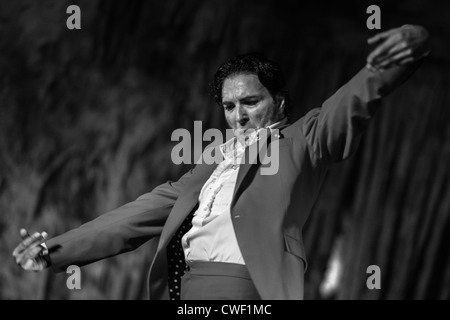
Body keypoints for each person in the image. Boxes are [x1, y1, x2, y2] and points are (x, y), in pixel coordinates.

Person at [12, 24, 430, 300]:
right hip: (186, 292)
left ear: (278, 102)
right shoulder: (209, 165)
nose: (238, 115)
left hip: (251, 291)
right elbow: (132, 217)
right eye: (229, 106)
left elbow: (356, 98)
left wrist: (409, 43)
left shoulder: (304, 139)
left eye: (250, 102)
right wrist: (56, 250)